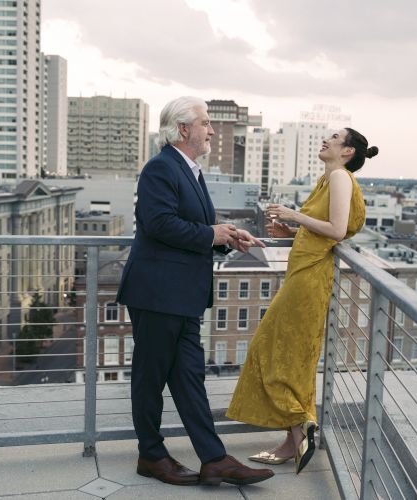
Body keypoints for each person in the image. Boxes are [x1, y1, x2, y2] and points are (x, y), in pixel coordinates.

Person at [116, 96, 274, 487]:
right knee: (149, 378)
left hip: (182, 296)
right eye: (205, 123)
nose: (212, 130)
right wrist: (211, 234)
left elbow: (193, 226)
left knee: (189, 378)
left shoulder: (190, 170)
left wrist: (227, 238)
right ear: (183, 129)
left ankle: (214, 458)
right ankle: (151, 455)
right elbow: (158, 224)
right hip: (157, 293)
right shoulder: (160, 168)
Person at [226, 128, 378, 474]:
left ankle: (300, 423)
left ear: (347, 151)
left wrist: (295, 215)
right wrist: (293, 232)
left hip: (309, 279)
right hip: (304, 272)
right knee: (291, 356)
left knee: (271, 350)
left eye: (334, 137)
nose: (326, 139)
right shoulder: (328, 180)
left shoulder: (339, 177)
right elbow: (322, 230)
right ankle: (295, 438)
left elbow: (337, 230)